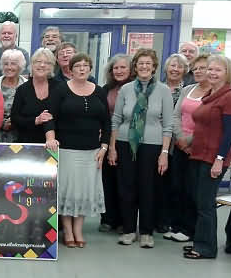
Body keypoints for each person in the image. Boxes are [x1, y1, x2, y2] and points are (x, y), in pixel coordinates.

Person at [108, 48, 173, 248]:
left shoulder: (164, 91)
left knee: (148, 189)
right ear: (135, 67)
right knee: (126, 188)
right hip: (125, 144)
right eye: (140, 63)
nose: (144, 67)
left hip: (152, 147)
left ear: (154, 67)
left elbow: (168, 125)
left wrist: (164, 153)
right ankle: (128, 230)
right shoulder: (126, 90)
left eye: (148, 63)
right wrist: (112, 147)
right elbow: (116, 120)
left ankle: (146, 232)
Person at [44, 53, 110, 248]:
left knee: (83, 192)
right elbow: (49, 116)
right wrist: (50, 137)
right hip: (66, 150)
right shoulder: (60, 90)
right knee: (68, 191)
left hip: (92, 152)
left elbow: (106, 122)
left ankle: (79, 229)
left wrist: (104, 147)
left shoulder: (99, 91)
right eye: (78, 66)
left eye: (85, 65)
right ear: (70, 70)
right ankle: (68, 230)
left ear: (90, 69)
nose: (82, 69)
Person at [183, 55, 231, 259]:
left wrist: (220, 159)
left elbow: (230, 133)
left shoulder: (229, 97)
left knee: (205, 204)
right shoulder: (211, 95)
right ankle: (201, 241)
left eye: (217, 70)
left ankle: (206, 248)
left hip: (213, 158)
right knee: (199, 201)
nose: (212, 73)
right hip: (199, 154)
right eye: (210, 69)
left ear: (227, 73)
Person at [166, 54, 211, 243]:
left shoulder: (215, 93)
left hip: (198, 148)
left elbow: (206, 122)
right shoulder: (188, 89)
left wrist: (189, 141)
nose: (199, 71)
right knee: (177, 186)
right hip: (180, 145)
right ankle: (176, 225)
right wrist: (180, 139)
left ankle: (188, 228)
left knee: (192, 190)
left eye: (204, 68)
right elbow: (175, 115)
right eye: (196, 68)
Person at [99, 54, 133, 233]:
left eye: (123, 67)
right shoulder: (105, 89)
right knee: (107, 181)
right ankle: (108, 218)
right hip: (106, 139)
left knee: (125, 182)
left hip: (127, 140)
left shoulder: (136, 89)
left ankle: (123, 221)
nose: (119, 71)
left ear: (131, 69)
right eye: (115, 68)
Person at [155, 53, 188, 234]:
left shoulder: (188, 91)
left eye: (179, 66)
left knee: (175, 184)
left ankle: (172, 221)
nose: (175, 69)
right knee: (157, 184)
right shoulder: (157, 88)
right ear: (166, 68)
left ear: (185, 70)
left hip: (180, 144)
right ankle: (157, 220)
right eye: (172, 65)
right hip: (156, 142)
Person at [10, 48, 57, 144]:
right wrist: (35, 120)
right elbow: (14, 119)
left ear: (52, 66)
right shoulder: (22, 90)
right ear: (32, 64)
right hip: (26, 144)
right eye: (38, 61)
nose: (42, 65)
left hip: (55, 145)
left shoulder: (59, 87)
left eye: (47, 62)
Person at [0, 49, 27, 143]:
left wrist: (16, 122)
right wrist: (3, 124)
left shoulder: (27, 85)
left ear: (20, 66)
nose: (9, 67)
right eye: (6, 64)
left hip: (21, 135)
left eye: (13, 64)